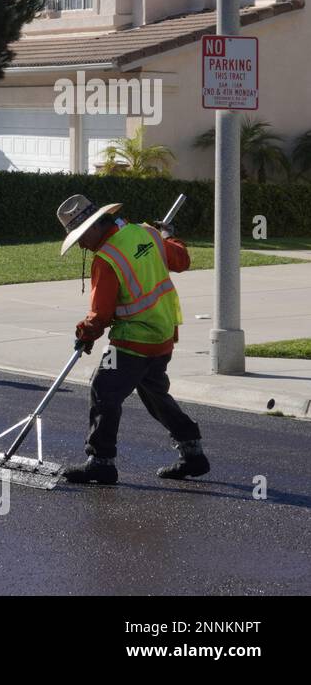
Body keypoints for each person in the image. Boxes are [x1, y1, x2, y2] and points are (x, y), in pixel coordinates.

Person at [55, 194, 210, 485]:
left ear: (93, 227)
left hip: (132, 340)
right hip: (163, 335)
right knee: (154, 394)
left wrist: (84, 333)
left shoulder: (107, 258)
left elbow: (100, 315)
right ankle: (193, 454)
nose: (81, 246)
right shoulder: (145, 232)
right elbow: (182, 260)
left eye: (80, 239)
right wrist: (167, 236)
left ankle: (101, 462)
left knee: (103, 389)